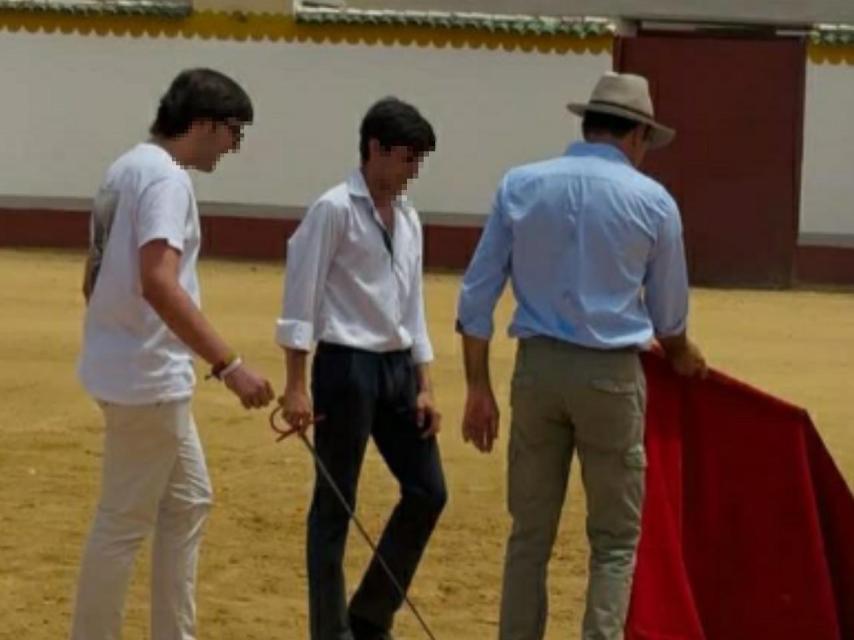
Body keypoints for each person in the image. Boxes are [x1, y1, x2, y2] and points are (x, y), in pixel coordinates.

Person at [456, 72, 708, 640]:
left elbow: (476, 298)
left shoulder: (521, 184)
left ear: (588, 125)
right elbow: (669, 318)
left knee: (529, 535)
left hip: (537, 372)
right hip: (610, 378)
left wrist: (478, 386)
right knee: (615, 541)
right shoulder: (653, 201)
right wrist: (684, 355)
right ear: (637, 135)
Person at [71, 68, 275, 640]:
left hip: (127, 365)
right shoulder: (167, 179)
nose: (234, 146)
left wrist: (115, 334)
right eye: (234, 132)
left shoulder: (125, 168)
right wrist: (230, 366)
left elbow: (93, 275)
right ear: (205, 124)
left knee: (188, 501)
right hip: (148, 378)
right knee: (122, 522)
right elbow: (159, 281)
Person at [276, 97, 446, 640]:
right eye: (407, 158)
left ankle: (370, 616)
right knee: (335, 503)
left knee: (429, 491)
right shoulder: (332, 210)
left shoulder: (411, 217)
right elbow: (300, 299)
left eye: (419, 160)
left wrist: (425, 384)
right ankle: (330, 632)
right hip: (345, 367)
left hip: (397, 369)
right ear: (375, 149)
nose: (413, 170)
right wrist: (296, 386)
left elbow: (414, 307)